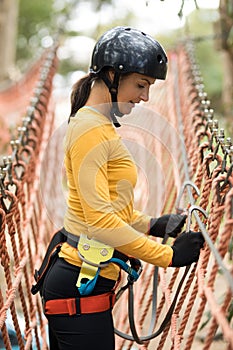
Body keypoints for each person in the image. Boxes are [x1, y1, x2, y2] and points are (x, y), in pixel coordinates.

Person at [39, 26, 204, 350]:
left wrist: (150, 225)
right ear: (113, 74)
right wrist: (167, 256)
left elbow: (101, 207)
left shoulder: (97, 124)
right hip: (77, 282)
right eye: (141, 84)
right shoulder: (90, 129)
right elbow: (99, 221)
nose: (144, 97)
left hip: (84, 278)